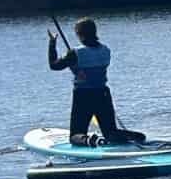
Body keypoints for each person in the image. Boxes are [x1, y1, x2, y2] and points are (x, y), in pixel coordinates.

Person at [48, 16, 144, 145]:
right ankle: (137, 136)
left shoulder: (75, 53)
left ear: (79, 34)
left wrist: (52, 43)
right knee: (110, 132)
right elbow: (93, 65)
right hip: (103, 93)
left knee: (75, 135)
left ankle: (89, 140)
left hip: (83, 95)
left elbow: (54, 65)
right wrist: (76, 66)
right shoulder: (106, 50)